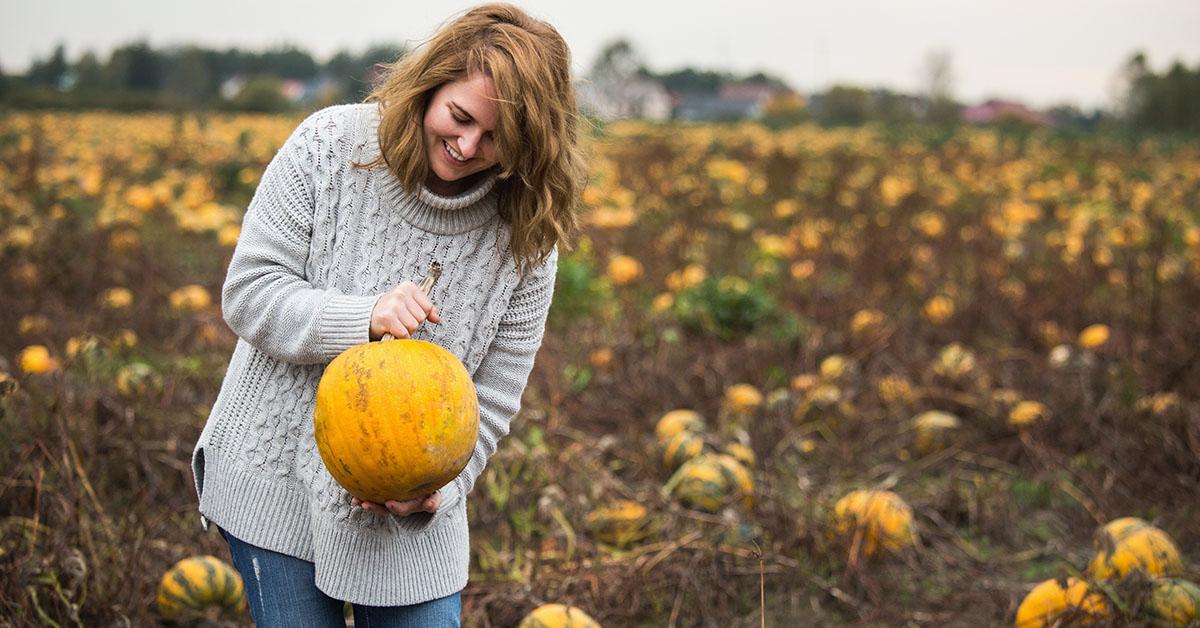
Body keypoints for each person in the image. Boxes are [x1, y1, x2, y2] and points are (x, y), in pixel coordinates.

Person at [189, 4, 585, 625]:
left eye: (497, 138)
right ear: (430, 85)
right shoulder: (328, 146)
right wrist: (364, 316)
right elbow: (249, 293)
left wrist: (440, 489)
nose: (467, 145)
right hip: (277, 473)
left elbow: (496, 396)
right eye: (459, 117)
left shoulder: (527, 238)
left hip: (413, 510)